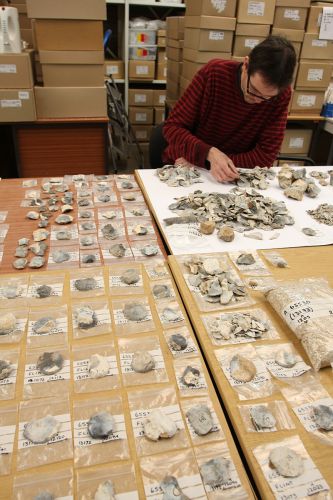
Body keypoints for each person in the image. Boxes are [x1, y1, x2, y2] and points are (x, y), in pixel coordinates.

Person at [162, 35, 297, 182]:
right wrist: (209, 154)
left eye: (267, 97)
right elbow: (172, 128)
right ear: (246, 64)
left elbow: (265, 156)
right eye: (254, 90)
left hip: (230, 175)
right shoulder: (214, 74)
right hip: (185, 169)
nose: (258, 100)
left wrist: (208, 162)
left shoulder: (281, 96)